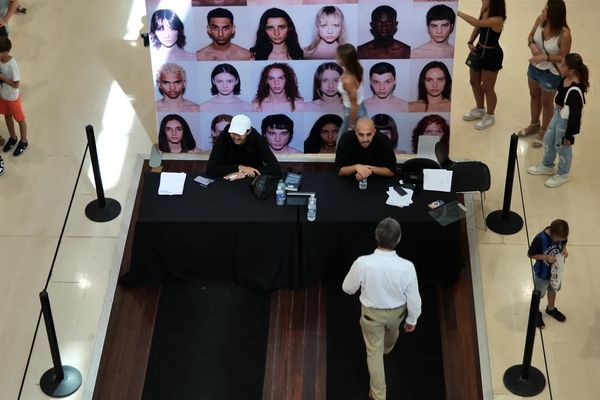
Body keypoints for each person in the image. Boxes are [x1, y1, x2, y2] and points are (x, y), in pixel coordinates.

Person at [342, 217, 421, 400]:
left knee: (374, 355)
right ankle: (388, 349)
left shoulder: (363, 263)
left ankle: (378, 396)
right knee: (391, 335)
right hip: (397, 315)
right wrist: (412, 320)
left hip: (371, 318)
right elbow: (414, 299)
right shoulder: (407, 267)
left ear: (376, 236)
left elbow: (347, 288)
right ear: (398, 239)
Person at [527, 53, 588, 188]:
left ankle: (563, 173)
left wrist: (569, 135)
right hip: (557, 113)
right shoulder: (564, 78)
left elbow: (575, 117)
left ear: (571, 70)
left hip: (565, 121)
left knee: (562, 147)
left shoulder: (575, 91)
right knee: (549, 138)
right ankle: (547, 165)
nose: (561, 66)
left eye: (563, 65)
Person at [518, 0, 571, 148]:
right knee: (533, 95)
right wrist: (532, 45)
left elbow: (563, 57)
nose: (542, 11)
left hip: (551, 73)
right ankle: (534, 124)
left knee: (546, 103)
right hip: (534, 67)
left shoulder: (564, 34)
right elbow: (529, 36)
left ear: (555, 14)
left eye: (546, 9)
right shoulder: (540, 20)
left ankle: (544, 131)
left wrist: (545, 57)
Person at [459, 0, 506, 130]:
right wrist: (470, 42)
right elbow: (479, 28)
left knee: (487, 87)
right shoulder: (485, 9)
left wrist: (458, 13)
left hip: (492, 54)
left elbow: (477, 23)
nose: (482, 0)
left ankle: (490, 115)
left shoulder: (498, 19)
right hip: (479, 49)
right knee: (473, 81)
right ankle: (480, 109)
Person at [206, 114, 281, 179]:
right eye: (233, 133)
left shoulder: (257, 139)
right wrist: (240, 168)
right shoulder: (224, 136)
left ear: (248, 132)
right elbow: (211, 169)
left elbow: (276, 169)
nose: (235, 137)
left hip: (252, 180)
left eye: (239, 134)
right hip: (227, 179)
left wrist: (244, 174)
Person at [527, 219, 569, 328]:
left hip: (556, 272)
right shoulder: (540, 239)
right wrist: (546, 257)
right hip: (542, 274)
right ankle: (535, 313)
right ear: (552, 234)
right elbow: (530, 254)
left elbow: (564, 243)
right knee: (538, 295)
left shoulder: (561, 236)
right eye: (558, 240)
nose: (561, 241)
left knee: (553, 289)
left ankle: (551, 309)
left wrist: (564, 249)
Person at [0, 37, 27, 156]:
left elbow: (16, 84)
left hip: (12, 98)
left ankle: (24, 141)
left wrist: (3, 78)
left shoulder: (12, 65)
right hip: (3, 96)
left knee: (20, 119)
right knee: (7, 116)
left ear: (5, 52)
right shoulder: (1, 60)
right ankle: (13, 137)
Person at [336, 44, 367, 137]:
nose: (336, 58)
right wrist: (344, 95)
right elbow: (356, 90)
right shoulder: (355, 69)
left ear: (344, 59)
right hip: (353, 110)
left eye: (338, 56)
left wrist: (351, 126)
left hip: (353, 113)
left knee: (342, 142)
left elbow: (354, 105)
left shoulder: (348, 80)